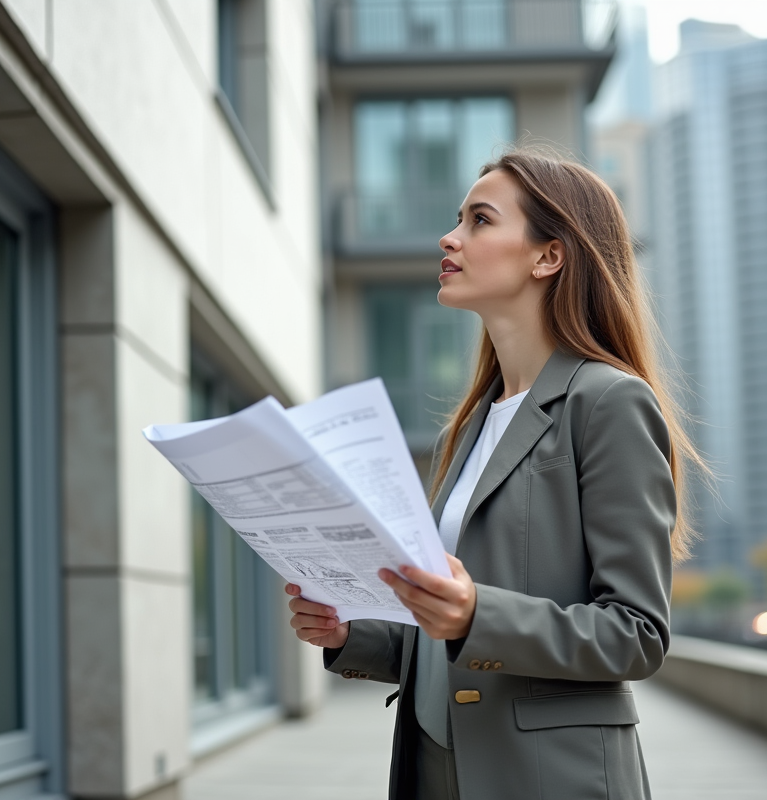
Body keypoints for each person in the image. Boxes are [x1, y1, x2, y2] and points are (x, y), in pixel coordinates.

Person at [285, 149, 704, 800]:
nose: (450, 238)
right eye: (459, 219)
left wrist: (477, 612)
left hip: (552, 777)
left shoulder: (607, 401)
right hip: (438, 764)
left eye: (480, 220)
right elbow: (447, 633)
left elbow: (637, 635)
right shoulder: (473, 422)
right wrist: (349, 634)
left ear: (549, 256)